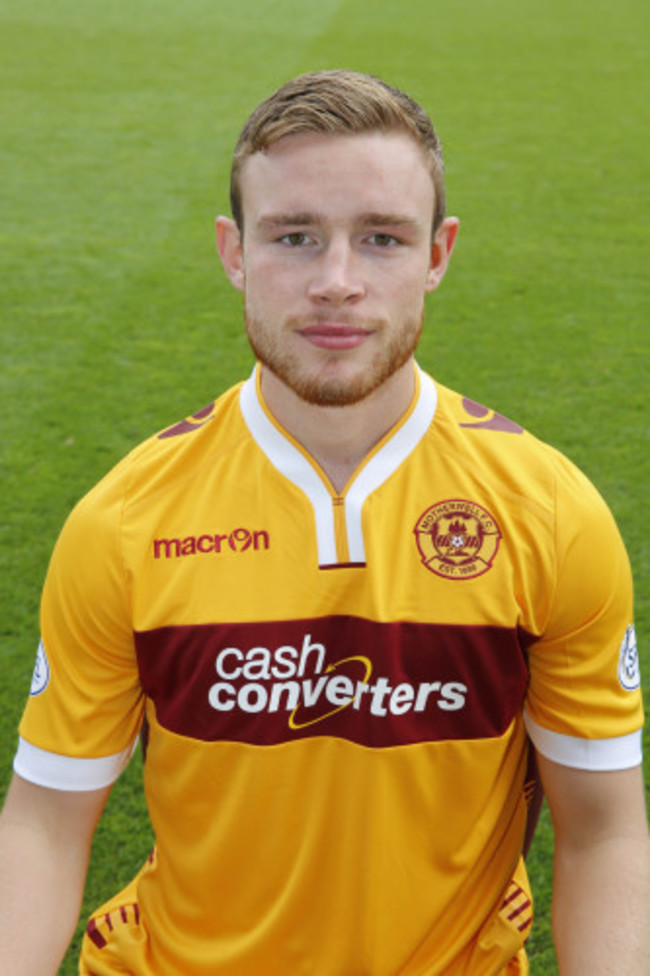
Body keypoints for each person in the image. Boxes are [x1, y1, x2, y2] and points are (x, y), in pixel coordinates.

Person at [0, 69, 648, 976]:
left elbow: (606, 831)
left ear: (438, 253)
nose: (336, 283)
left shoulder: (547, 514)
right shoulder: (125, 522)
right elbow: (45, 816)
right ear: (233, 251)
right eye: (294, 236)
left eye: (381, 238)